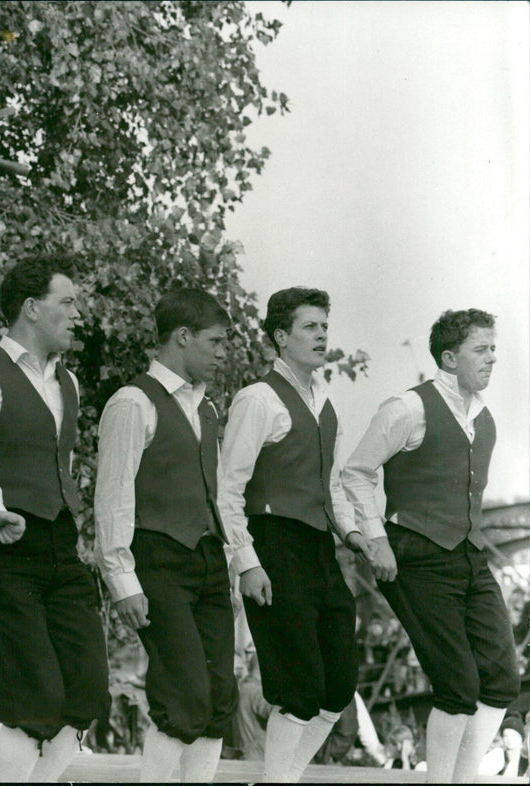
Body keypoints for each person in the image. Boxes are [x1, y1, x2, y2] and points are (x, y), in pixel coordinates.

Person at [0, 257, 110, 782]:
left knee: (87, 691)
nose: (78, 313)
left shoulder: (70, 384)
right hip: (1, 548)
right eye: (68, 302)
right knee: (35, 695)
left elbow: (60, 467)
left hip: (60, 545)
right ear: (31, 308)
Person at [342, 308, 521, 782]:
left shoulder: (484, 419)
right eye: (481, 350)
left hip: (470, 553)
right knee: (458, 685)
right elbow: (356, 473)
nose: (491, 359)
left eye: (493, 350)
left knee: (501, 679)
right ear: (448, 357)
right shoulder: (407, 408)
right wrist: (375, 540)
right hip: (417, 553)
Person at [218, 286, 373, 783]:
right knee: (300, 690)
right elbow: (227, 491)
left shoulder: (325, 404)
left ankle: (280, 778)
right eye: (310, 326)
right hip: (272, 543)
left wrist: (352, 533)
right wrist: (248, 563)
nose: (322, 334)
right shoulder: (258, 399)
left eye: (324, 326)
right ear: (280, 337)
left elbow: (329, 485)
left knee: (338, 688)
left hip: (318, 548)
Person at [94, 288, 237, 782]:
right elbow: (112, 497)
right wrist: (123, 581)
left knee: (220, 701)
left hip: (207, 561)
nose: (223, 354)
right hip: (157, 560)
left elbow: (215, 495)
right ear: (182, 337)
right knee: (184, 699)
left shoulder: (208, 410)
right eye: (216, 342)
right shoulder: (133, 402)